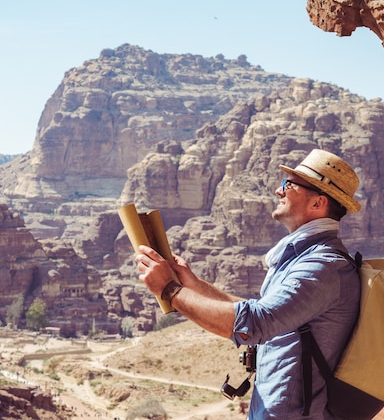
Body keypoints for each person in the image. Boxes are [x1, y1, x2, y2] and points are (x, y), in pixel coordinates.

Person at [136, 149, 362, 419]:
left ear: (318, 203)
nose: (279, 191)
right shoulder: (303, 259)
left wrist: (169, 291)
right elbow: (259, 310)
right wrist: (193, 284)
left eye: (289, 185)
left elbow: (255, 324)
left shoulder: (323, 266)